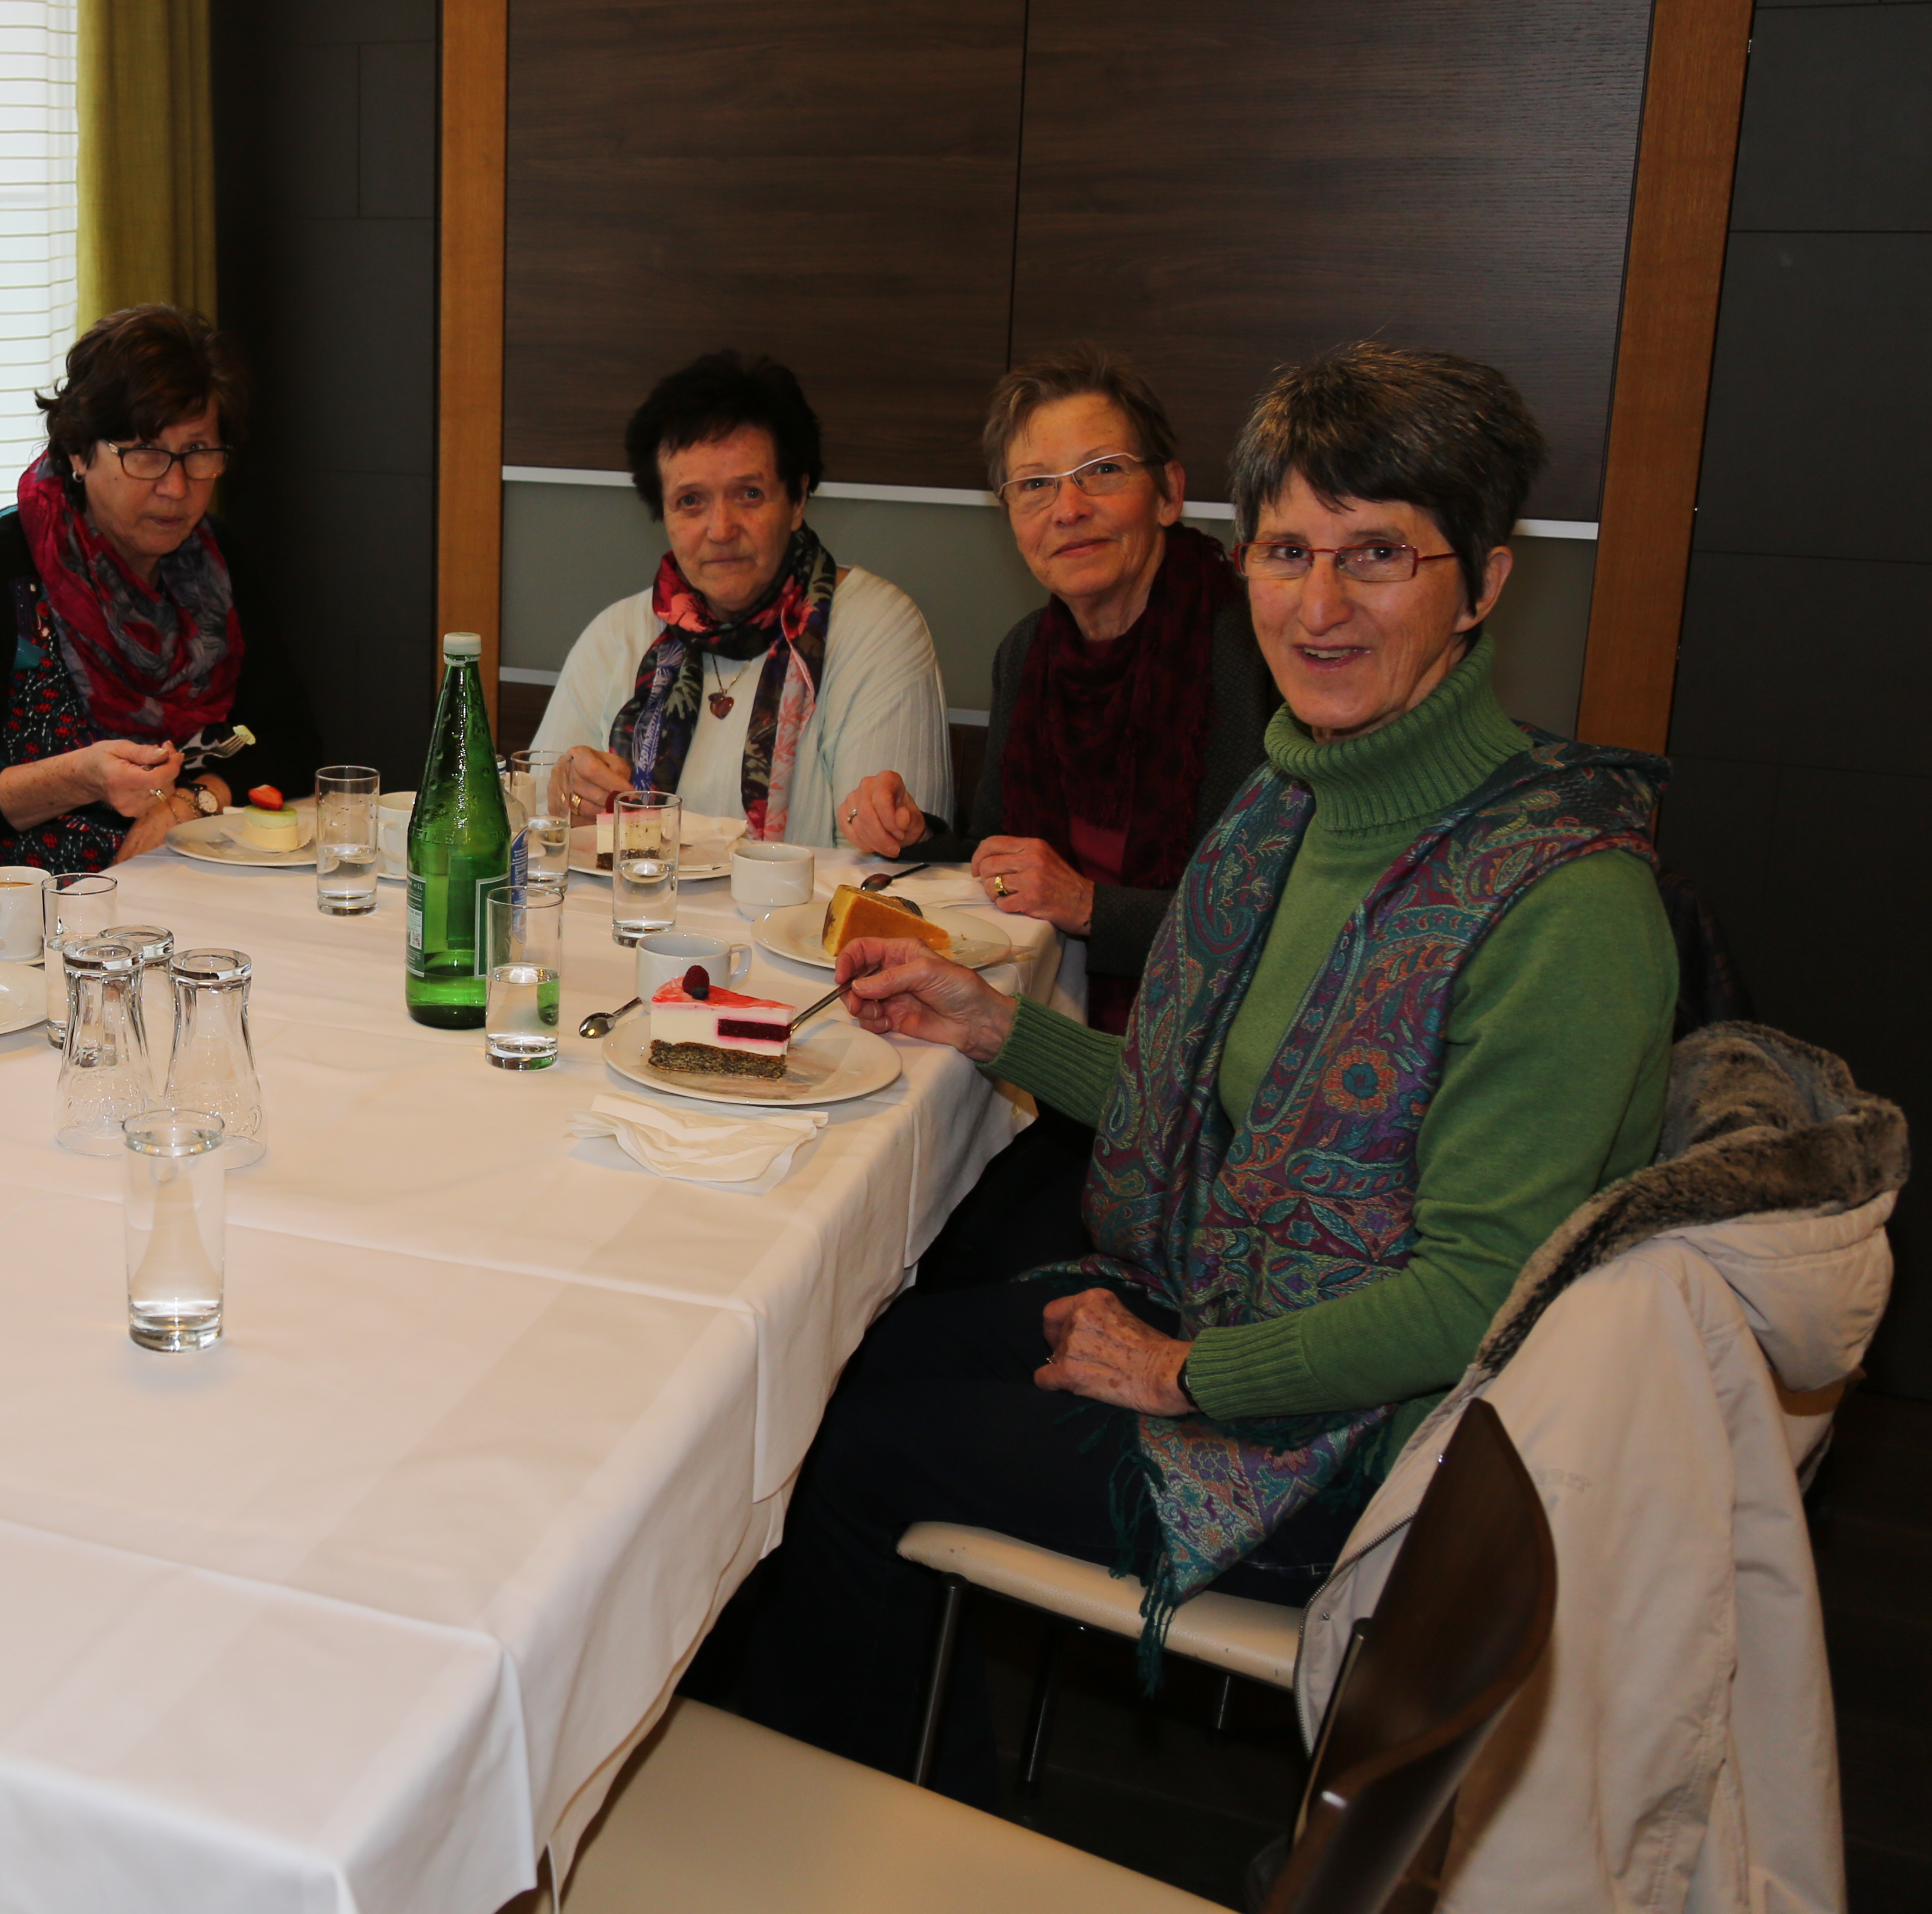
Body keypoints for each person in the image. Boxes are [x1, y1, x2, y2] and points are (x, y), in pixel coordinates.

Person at [697, 345, 1675, 1801]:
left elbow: (1477, 1291)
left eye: (1376, 557)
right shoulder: (1293, 802)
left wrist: (1181, 1370)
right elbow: (1200, 1105)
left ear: (1478, 582)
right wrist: (984, 1021)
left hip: (1356, 1452)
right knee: (811, 1356)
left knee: (837, 1452)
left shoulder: (1562, 899)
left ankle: (840, 1829)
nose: (1316, 605)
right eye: (1285, 550)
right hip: (1226, 1298)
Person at [838, 350, 1275, 1289]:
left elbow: (1260, 925)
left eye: (1100, 474)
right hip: (1062, 1058)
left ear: (1167, 492)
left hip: (1213, 1105)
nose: (1065, 509)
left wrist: (1089, 906)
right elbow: (1008, 865)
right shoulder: (1031, 652)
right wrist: (920, 838)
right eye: (1034, 486)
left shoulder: (1251, 650)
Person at [0, 305, 322, 938]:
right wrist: (78, 777)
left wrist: (192, 799)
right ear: (78, 451)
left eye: (198, 454)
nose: (177, 488)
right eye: (146, 456)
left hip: (152, 898)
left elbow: (291, 741)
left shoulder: (214, 564)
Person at [531, 351, 950, 844]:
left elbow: (893, 868)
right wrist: (563, 803)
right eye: (691, 501)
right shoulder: (618, 633)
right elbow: (525, 825)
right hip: (635, 917)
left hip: (802, 923)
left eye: (748, 494)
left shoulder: (876, 628)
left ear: (797, 499)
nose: (721, 529)